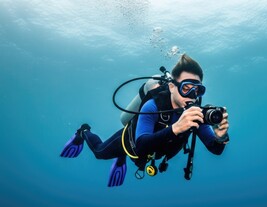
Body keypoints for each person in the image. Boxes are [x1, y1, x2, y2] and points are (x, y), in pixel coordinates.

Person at [60, 54, 230, 187]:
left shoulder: (195, 114)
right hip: (130, 143)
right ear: (172, 86)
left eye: (198, 90)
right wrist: (176, 128)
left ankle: (121, 159)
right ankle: (83, 132)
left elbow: (216, 150)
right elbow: (141, 145)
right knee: (99, 153)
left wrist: (221, 136)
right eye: (186, 88)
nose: (193, 96)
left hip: (153, 154)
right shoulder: (152, 106)